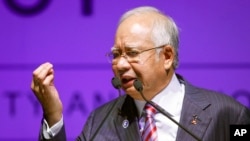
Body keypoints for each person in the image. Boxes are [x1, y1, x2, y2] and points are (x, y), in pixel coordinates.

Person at [31, 6, 250, 141]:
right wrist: (53, 116)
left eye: (132, 53)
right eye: (116, 54)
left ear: (166, 56)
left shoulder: (229, 115)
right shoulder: (99, 122)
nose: (121, 64)